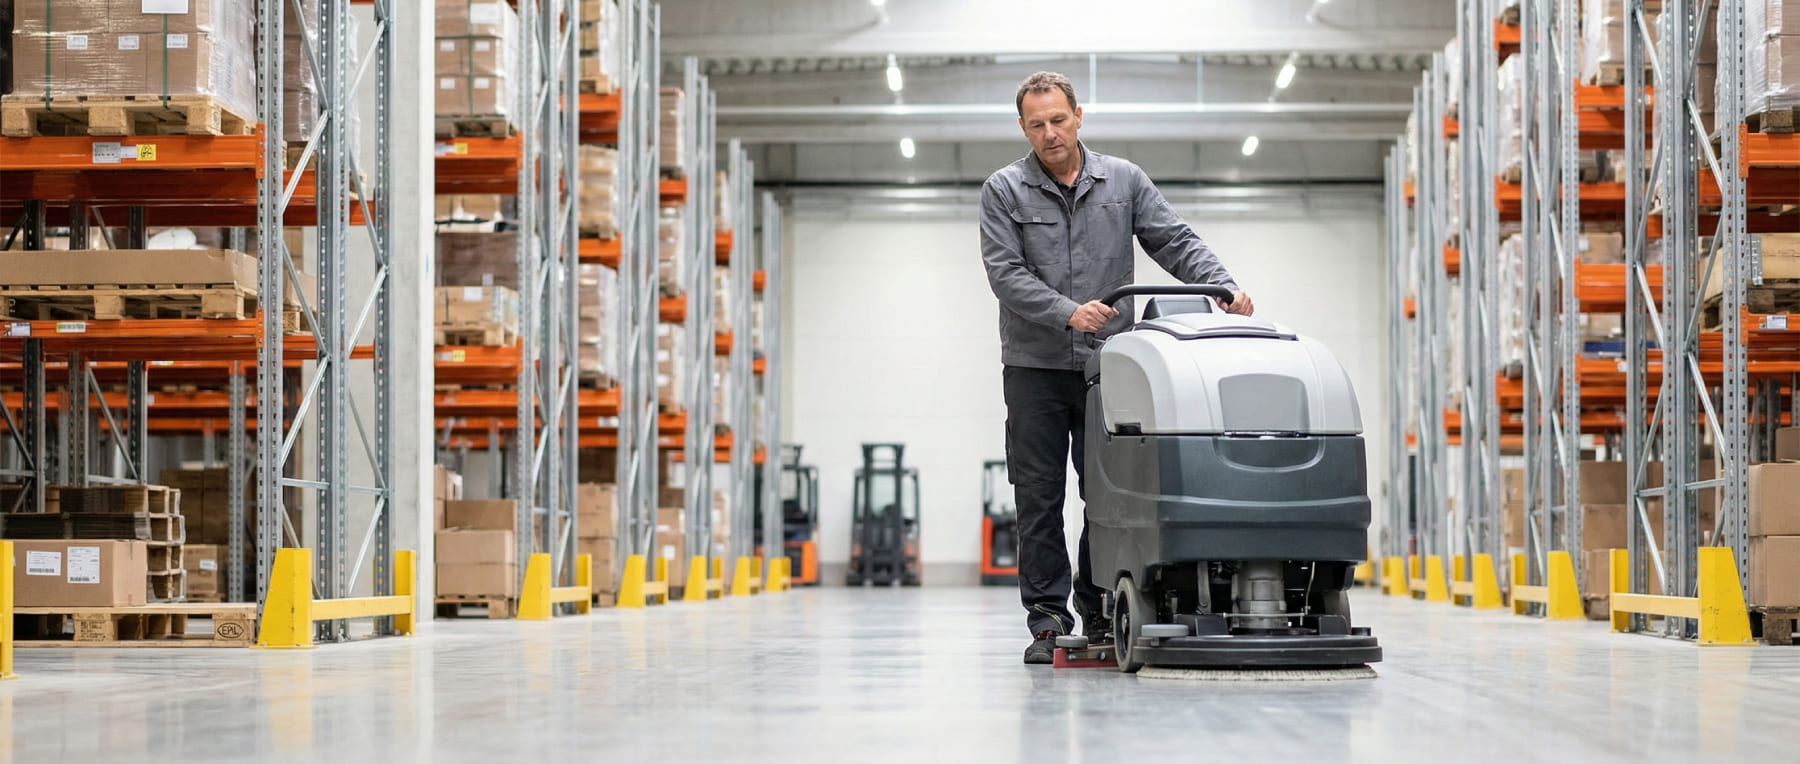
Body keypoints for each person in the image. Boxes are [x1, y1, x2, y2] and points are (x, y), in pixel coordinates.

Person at [979, 71, 1254, 665]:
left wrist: (1220, 284)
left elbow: (1172, 238)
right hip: (1035, 368)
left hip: (1111, 368)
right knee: (1039, 496)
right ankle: (1049, 619)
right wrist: (1067, 312)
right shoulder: (1003, 190)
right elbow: (1005, 275)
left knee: (1107, 494)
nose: (1050, 133)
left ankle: (1099, 603)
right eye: (1037, 124)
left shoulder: (1124, 181)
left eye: (1058, 119)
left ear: (1080, 116)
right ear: (1023, 128)